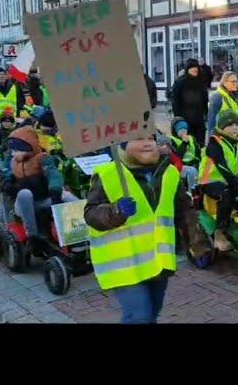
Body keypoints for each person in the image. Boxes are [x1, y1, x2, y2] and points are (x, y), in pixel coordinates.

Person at [83, 136, 200, 323]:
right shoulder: (108, 173)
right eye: (137, 139)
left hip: (158, 260)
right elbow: (91, 214)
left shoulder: (169, 172)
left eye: (151, 138)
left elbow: (184, 210)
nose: (147, 143)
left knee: (152, 312)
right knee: (139, 317)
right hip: (124, 264)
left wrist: (197, 243)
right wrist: (115, 211)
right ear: (122, 144)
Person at [0, 126, 64, 253]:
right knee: (25, 193)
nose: (13, 153)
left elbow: (52, 173)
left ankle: (77, 228)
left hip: (43, 199)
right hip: (23, 205)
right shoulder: (13, 163)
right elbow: (6, 175)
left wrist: (55, 189)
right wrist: (7, 183)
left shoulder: (42, 159)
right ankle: (33, 236)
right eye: (12, 150)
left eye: (16, 150)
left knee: (67, 196)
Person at [199, 110, 238, 252]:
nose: (236, 127)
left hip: (229, 180)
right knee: (226, 194)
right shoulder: (214, 142)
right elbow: (222, 166)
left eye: (237, 124)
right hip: (210, 181)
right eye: (231, 124)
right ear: (222, 127)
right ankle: (219, 233)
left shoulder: (237, 143)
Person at [207, 71, 238, 154]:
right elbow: (211, 122)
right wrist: (211, 141)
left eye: (237, 81)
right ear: (224, 82)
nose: (236, 84)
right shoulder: (217, 98)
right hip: (225, 132)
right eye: (233, 82)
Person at [171, 58, 209, 147]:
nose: (195, 69)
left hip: (199, 119)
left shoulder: (201, 83)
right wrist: (178, 119)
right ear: (187, 69)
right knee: (186, 145)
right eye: (192, 67)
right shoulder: (180, 83)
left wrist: (205, 114)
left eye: (196, 67)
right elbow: (175, 102)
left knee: (199, 144)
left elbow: (204, 101)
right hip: (185, 120)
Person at [170, 117, 201, 191]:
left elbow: (197, 151)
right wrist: (184, 143)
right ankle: (193, 192)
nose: (183, 131)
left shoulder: (191, 138)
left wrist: (199, 160)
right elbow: (177, 155)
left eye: (185, 128)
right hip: (182, 165)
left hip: (194, 162)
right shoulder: (172, 140)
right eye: (180, 129)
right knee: (192, 171)